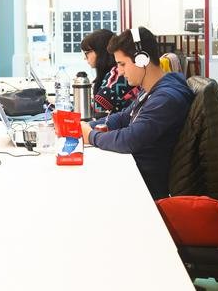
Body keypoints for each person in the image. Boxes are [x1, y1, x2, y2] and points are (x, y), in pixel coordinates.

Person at [81, 27, 193, 199]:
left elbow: (131, 139)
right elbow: (124, 117)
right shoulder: (151, 90)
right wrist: (86, 127)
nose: (119, 71)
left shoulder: (166, 98)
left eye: (122, 64)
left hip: (145, 188)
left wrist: (91, 136)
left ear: (142, 59)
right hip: (135, 174)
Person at [80, 29, 138, 117]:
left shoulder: (117, 75)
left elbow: (94, 109)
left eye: (87, 53)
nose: (85, 58)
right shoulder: (111, 73)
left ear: (100, 52)